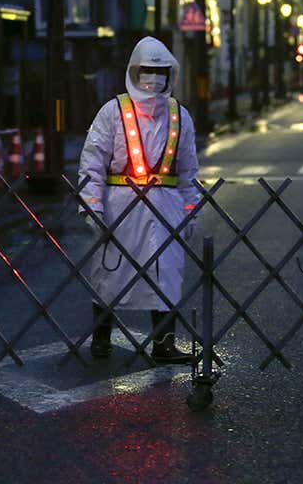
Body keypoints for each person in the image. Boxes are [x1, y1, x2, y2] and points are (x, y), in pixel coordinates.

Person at [77, 36, 200, 363]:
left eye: (160, 70)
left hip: (166, 209)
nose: (154, 77)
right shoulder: (113, 112)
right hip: (121, 207)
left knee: (167, 274)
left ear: (170, 73)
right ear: (134, 70)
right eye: (147, 69)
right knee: (110, 272)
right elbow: (92, 162)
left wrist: (190, 211)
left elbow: (188, 170)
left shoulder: (179, 116)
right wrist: (94, 208)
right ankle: (101, 339)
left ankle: (164, 343)